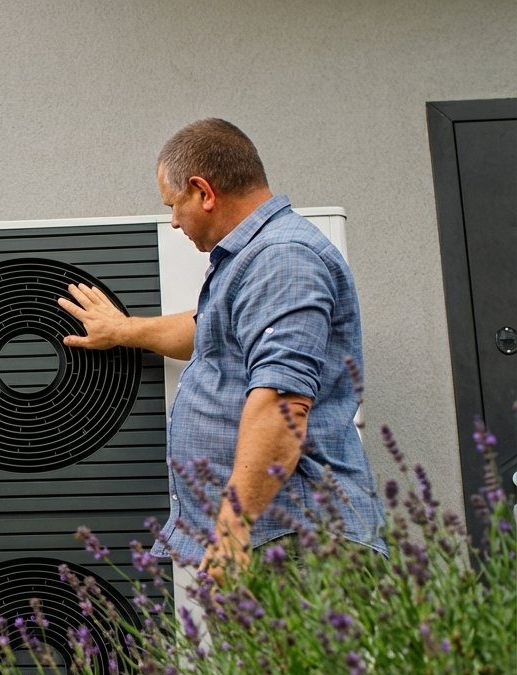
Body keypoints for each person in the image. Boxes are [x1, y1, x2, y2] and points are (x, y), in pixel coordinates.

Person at [59, 118, 387, 586]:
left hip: (296, 544)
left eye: (173, 205)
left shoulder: (283, 258)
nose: (173, 221)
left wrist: (232, 530)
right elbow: (205, 328)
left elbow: (282, 402)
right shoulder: (257, 259)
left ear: (203, 192)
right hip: (277, 541)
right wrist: (122, 330)